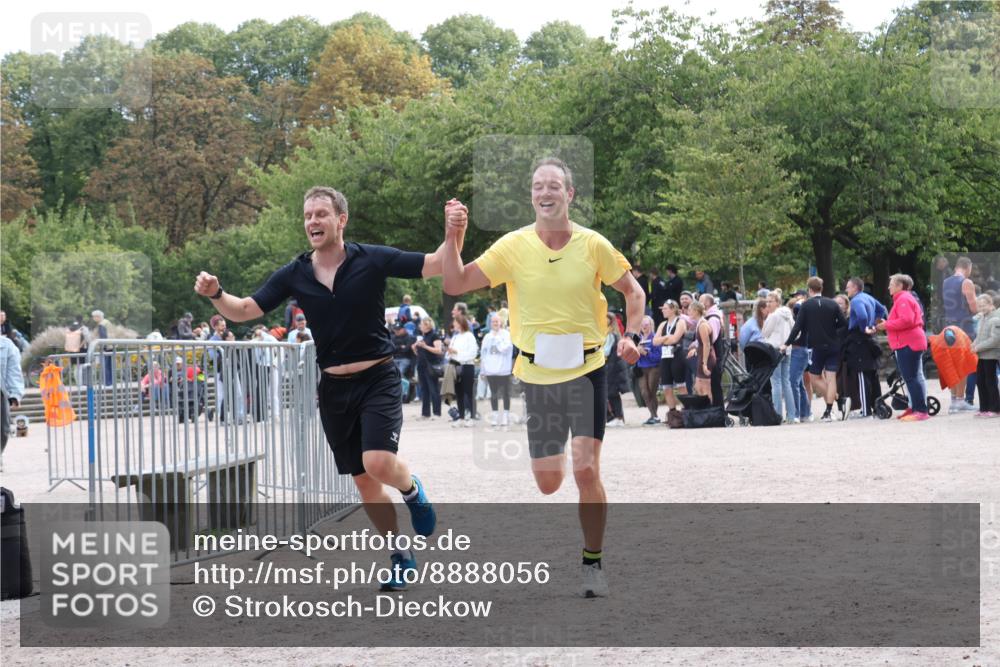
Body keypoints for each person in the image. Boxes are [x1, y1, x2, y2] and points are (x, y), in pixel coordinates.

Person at [194, 185, 449, 591]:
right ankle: (400, 555)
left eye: (321, 214)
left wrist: (454, 233)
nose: (312, 221)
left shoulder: (372, 259)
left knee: (378, 462)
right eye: (308, 215)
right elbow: (244, 310)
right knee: (364, 481)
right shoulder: (295, 273)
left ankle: (412, 489)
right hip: (333, 388)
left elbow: (436, 264)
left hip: (378, 377)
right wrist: (216, 294)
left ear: (340, 219)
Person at [441, 157, 643, 598]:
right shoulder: (512, 247)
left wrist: (632, 335)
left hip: (587, 370)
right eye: (537, 186)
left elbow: (634, 291)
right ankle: (560, 457)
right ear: (531, 195)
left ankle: (593, 563)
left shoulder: (593, 245)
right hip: (537, 375)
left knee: (587, 471)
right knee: (549, 483)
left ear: (570, 194)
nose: (545, 192)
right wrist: (454, 236)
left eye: (553, 185)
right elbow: (455, 284)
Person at [781, 277, 847, 422]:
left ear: (809, 290)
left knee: (814, 378)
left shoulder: (806, 305)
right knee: (831, 378)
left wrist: (787, 343)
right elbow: (843, 323)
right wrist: (833, 330)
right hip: (833, 345)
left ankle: (836, 402)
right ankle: (832, 407)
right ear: (821, 288)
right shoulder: (832, 303)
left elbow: (797, 327)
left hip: (817, 346)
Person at [876, 274, 930, 422]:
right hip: (909, 342)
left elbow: (907, 320)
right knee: (911, 377)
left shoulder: (903, 299)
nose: (889, 287)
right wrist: (887, 323)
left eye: (891, 284)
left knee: (911, 378)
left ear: (900, 286)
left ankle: (921, 410)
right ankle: (914, 408)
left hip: (909, 343)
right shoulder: (902, 299)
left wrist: (886, 325)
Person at [844, 277, 887, 418]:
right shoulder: (868, 297)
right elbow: (882, 309)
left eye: (848, 287)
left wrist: (865, 328)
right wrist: (874, 324)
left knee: (862, 375)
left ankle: (865, 411)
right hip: (870, 339)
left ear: (855, 288)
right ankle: (877, 407)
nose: (846, 289)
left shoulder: (856, 300)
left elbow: (862, 316)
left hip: (859, 338)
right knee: (873, 374)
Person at [943, 257, 979, 412]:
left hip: (949, 326)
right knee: (963, 363)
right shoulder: (967, 282)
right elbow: (974, 308)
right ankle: (960, 400)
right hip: (964, 327)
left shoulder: (946, 282)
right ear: (967, 267)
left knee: (952, 363)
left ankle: (953, 400)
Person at [761, 293, 797, 423]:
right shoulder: (788, 313)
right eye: (767, 301)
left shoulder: (773, 315)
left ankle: (777, 415)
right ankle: (791, 415)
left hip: (775, 350)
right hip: (787, 349)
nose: (768, 304)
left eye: (771, 301)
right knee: (786, 382)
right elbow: (795, 331)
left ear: (777, 302)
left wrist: (766, 319)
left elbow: (765, 333)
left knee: (776, 383)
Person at [479, 313, 514, 430]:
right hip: (490, 370)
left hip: (503, 369)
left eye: (497, 321)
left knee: (505, 393)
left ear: (501, 322)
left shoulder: (506, 335)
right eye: (493, 321)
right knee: (493, 393)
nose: (495, 323)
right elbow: (483, 353)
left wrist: (497, 339)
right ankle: (494, 415)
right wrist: (483, 370)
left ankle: (506, 415)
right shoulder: (487, 336)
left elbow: (505, 349)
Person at [653, 300, 688, 414]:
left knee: (681, 385)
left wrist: (663, 339)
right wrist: (666, 337)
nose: (663, 310)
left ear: (673, 309)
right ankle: (673, 413)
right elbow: (655, 341)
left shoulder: (680, 322)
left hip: (677, 354)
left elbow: (675, 339)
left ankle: (686, 410)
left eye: (665, 308)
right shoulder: (663, 324)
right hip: (665, 356)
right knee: (666, 387)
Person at [972, 294, 1000, 417]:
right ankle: (984, 408)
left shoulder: (996, 319)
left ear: (990, 304)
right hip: (981, 355)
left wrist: (978, 347)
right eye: (979, 306)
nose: (981, 308)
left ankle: (995, 409)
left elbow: (995, 339)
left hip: (991, 355)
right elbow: (980, 336)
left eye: (984, 305)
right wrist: (973, 344)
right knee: (980, 381)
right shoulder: (983, 318)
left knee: (990, 381)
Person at [447, 313, 478, 426]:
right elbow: (450, 354)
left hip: (467, 366)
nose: (453, 325)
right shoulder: (455, 337)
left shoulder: (469, 336)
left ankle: (471, 417)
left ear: (460, 323)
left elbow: (472, 353)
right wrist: (450, 353)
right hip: (455, 366)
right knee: (459, 393)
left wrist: (457, 353)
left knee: (468, 392)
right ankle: (461, 417)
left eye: (455, 323)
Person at [413, 317, 444, 419]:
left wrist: (425, 346)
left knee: (433, 389)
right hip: (421, 365)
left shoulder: (434, 335)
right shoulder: (422, 337)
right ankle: (425, 413)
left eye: (421, 324)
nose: (420, 326)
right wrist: (415, 348)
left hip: (431, 366)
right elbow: (420, 353)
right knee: (424, 390)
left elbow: (438, 350)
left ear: (427, 325)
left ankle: (437, 413)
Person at [700, 293, 726, 407]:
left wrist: (697, 345)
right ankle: (716, 410)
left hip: (715, 356)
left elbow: (711, 338)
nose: (698, 303)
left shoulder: (713, 318)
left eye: (700, 301)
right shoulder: (710, 316)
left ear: (706, 303)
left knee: (715, 385)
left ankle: (719, 411)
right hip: (713, 355)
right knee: (713, 385)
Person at [0, 333, 25, 454]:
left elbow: (14, 371)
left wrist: (15, 394)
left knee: (3, 430)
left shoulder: (6, 345)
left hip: (1, 393)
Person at [604, 313, 629, 428]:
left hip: (612, 368)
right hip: (611, 367)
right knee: (611, 394)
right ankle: (616, 417)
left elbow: (605, 352)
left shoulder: (611, 335)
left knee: (612, 394)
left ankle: (618, 417)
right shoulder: (608, 334)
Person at [636, 315, 662, 425]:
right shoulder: (637, 339)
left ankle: (654, 416)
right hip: (641, 367)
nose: (644, 326)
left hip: (653, 367)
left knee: (652, 391)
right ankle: (653, 416)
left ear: (651, 325)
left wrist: (646, 353)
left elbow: (658, 357)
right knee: (644, 392)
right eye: (642, 324)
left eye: (646, 324)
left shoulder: (655, 338)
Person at [687, 301, 715, 402]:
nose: (688, 312)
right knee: (698, 386)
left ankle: (709, 409)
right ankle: (704, 408)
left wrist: (704, 364)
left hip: (706, 358)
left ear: (696, 311)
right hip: (701, 356)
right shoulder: (699, 323)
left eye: (690, 310)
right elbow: (701, 343)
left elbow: (707, 344)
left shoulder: (703, 325)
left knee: (705, 388)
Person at [91, 309, 113, 386]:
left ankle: (107, 382)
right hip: (111, 345)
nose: (93, 318)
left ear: (98, 317)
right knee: (110, 365)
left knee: (105, 365)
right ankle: (110, 382)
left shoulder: (101, 324)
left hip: (106, 347)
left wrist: (102, 347)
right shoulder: (107, 322)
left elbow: (103, 337)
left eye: (94, 317)